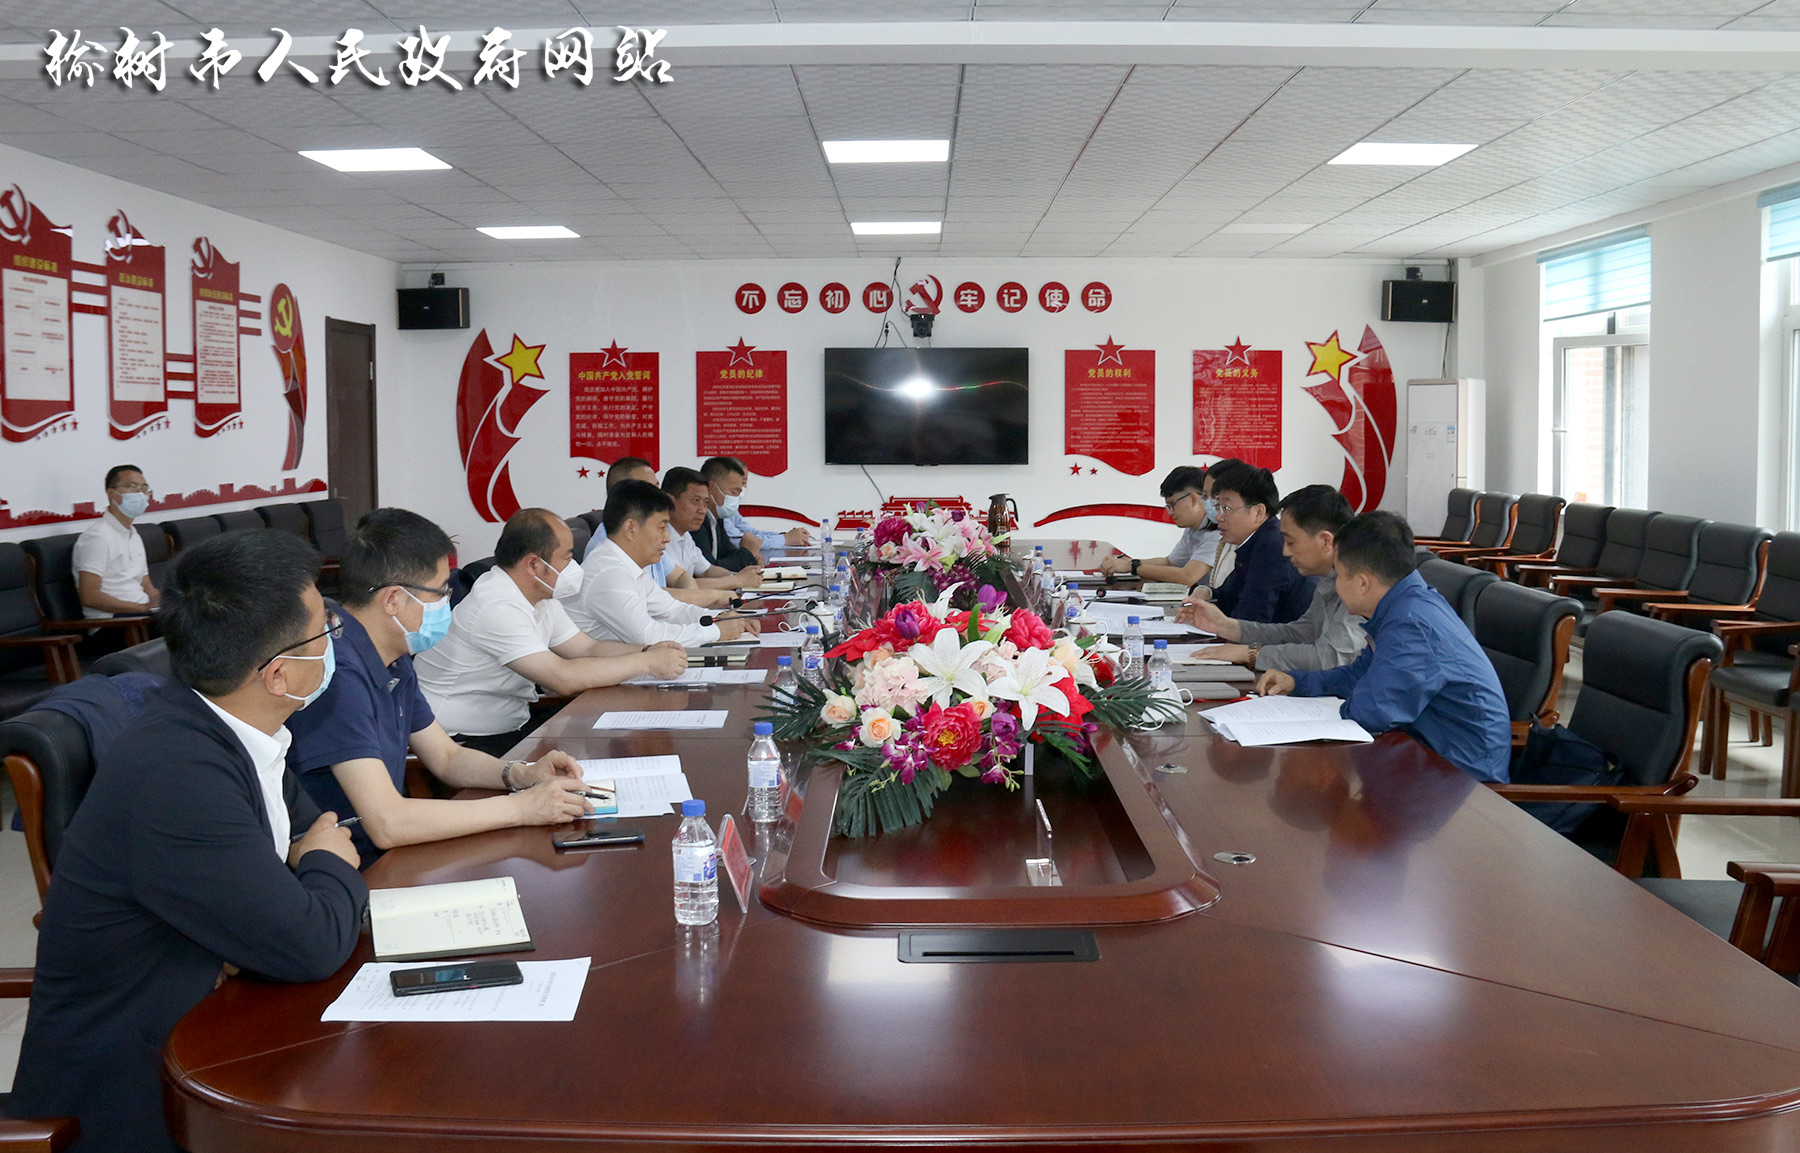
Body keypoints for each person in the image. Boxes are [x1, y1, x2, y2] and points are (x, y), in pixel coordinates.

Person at [5, 531, 367, 1152]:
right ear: (279, 673)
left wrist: (307, 871)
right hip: (133, 1100)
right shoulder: (178, 774)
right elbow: (309, 939)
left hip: (216, 1029)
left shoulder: (241, 728)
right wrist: (325, 866)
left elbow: (313, 834)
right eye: (325, 631)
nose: (336, 640)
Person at [286, 508, 596, 866]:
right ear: (393, 600)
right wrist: (522, 808)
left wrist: (521, 774)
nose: (447, 603)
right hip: (349, 869)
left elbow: (447, 757)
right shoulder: (337, 672)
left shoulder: (392, 655)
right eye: (439, 593)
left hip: (386, 855)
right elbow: (388, 823)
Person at [1256, 511, 1512, 784]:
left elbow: (1373, 711)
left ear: (1363, 583)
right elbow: (1357, 676)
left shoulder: (1411, 624)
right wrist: (1296, 682)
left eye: (1339, 575)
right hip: (1422, 757)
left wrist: (1306, 719)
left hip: (1463, 780)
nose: (1336, 585)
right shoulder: (1401, 606)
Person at [415, 508, 687, 756]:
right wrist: (646, 663)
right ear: (533, 564)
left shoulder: (543, 598)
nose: (574, 567)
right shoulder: (496, 606)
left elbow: (587, 649)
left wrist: (648, 650)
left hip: (512, 725)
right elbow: (562, 678)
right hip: (463, 741)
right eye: (567, 558)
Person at [1181, 484, 1366, 673]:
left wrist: (1250, 654)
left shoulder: (1360, 585)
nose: (1285, 551)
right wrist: (1226, 626)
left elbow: (1330, 658)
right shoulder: (1329, 578)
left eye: (1291, 542)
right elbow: (1302, 633)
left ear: (1326, 541)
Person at [567, 479, 760, 647]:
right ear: (631, 528)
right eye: (661, 528)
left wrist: (719, 619)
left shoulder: (628, 566)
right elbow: (649, 636)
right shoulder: (608, 572)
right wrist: (716, 631)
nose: (667, 538)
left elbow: (673, 610)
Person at [1191, 460, 1313, 623]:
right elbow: (1231, 595)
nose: (1219, 516)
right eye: (1218, 507)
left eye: (1226, 508)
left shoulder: (1273, 547)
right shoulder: (1256, 541)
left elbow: (1252, 618)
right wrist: (1206, 593)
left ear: (1258, 512)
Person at [1098, 464, 1221, 586]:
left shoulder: (1218, 532)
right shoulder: (1193, 529)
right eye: (1168, 506)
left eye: (1172, 505)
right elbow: (1169, 563)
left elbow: (1188, 577)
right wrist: (1127, 562)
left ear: (1193, 499)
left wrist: (1132, 566)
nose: (1169, 512)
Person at [659, 466, 761, 607]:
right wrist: (737, 580)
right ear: (669, 501)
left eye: (706, 502)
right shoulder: (660, 539)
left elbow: (707, 571)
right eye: (695, 500)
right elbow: (681, 589)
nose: (702, 510)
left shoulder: (685, 535)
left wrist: (743, 576)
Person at [72, 463, 160, 619]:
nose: (141, 494)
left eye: (144, 489)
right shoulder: (97, 537)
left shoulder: (134, 535)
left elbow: (147, 585)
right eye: (132, 487)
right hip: (116, 622)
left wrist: (164, 602)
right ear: (111, 494)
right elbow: (89, 596)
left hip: (143, 616)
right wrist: (142, 609)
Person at [694, 455, 808, 569]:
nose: (737, 497)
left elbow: (729, 551)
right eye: (734, 492)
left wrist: (752, 559)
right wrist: (747, 555)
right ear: (711, 488)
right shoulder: (698, 521)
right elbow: (709, 569)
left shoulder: (717, 519)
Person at [587, 457, 657, 549]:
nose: (659, 496)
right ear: (622, 494)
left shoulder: (648, 532)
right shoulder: (606, 546)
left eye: (657, 487)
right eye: (649, 490)